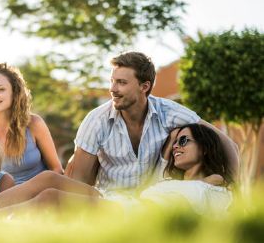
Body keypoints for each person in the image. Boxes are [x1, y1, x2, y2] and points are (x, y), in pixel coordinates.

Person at [66, 51, 238, 194]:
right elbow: (78, 180)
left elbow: (228, 144)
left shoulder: (169, 112)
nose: (113, 89)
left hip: (153, 208)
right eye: (112, 81)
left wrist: (235, 188)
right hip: (111, 204)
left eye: (122, 82)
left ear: (144, 86)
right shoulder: (96, 120)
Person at [0, 123, 234, 216]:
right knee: (48, 178)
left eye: (184, 140)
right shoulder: (169, 179)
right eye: (174, 141)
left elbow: (220, 203)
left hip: (133, 215)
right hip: (121, 203)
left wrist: (217, 176)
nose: (175, 146)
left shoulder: (215, 187)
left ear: (206, 148)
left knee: (49, 198)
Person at [0, 63, 63, 184]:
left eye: (1, 89)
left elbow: (56, 169)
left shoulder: (34, 124)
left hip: (39, 194)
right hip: (1, 198)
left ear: (14, 93)